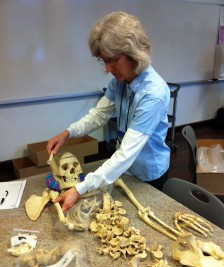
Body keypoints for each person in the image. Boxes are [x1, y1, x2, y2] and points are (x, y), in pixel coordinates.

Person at [47, 11, 170, 212]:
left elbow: (126, 154)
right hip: (125, 170)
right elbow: (99, 115)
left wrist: (79, 189)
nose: (107, 68)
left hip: (149, 175)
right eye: (103, 61)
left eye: (112, 59)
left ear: (133, 52)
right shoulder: (119, 82)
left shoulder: (153, 94)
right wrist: (67, 133)